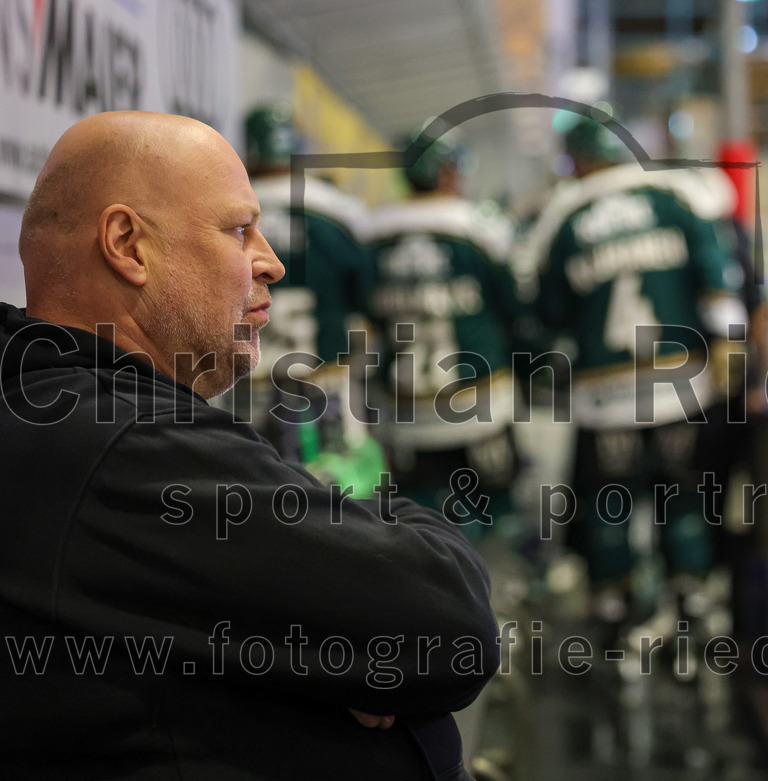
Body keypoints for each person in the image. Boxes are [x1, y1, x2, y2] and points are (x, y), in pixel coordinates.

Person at [0, 111, 498, 780]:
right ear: (127, 243)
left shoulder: (69, 409)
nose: (271, 260)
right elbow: (449, 624)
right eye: (239, 230)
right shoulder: (121, 446)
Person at [521, 115, 747, 638]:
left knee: (610, 506)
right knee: (683, 498)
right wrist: (731, 355)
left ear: (574, 157)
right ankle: (692, 600)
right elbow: (719, 288)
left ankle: (615, 613)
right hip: (681, 386)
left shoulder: (563, 217)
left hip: (604, 396)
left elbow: (546, 318)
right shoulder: (674, 196)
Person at [365, 132, 522, 541]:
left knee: (419, 519)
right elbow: (516, 308)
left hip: (403, 407)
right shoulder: (481, 227)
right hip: (478, 400)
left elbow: (362, 316)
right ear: (447, 172)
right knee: (493, 507)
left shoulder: (373, 233)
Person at [240, 103, 384, 495]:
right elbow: (365, 299)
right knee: (341, 495)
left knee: (251, 493)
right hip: (324, 384)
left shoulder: (229, 210)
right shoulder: (337, 212)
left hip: (243, 385)